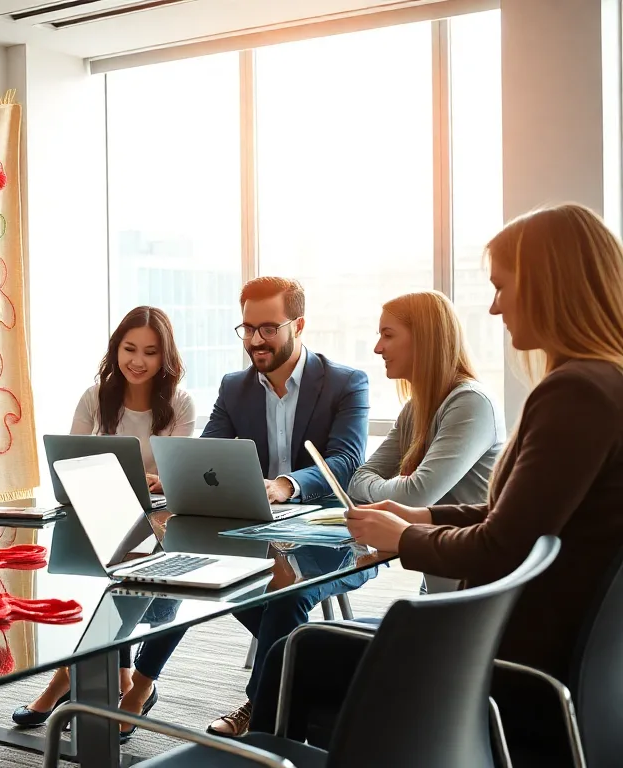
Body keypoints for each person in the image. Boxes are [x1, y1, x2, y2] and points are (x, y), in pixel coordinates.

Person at [249, 203, 623, 761]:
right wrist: (420, 518)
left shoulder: (573, 393)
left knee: (293, 653)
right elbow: (516, 519)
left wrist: (402, 538)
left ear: (549, 286)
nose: (494, 306)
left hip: (512, 658)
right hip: (566, 654)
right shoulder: (604, 383)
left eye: (502, 287)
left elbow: (501, 546)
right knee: (305, 649)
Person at [115, 276, 371, 740]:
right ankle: (143, 682)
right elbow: (209, 448)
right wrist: (175, 478)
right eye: (248, 328)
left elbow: (346, 460)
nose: (255, 340)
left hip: (329, 529)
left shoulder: (344, 383)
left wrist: (286, 485)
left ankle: (261, 706)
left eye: (268, 328)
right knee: (186, 567)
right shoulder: (235, 387)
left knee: (286, 593)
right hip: (253, 526)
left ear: (300, 325)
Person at [10, 305, 195, 727]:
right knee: (124, 573)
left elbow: (178, 472)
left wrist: (160, 481)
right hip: (101, 511)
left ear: (164, 357)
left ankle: (69, 677)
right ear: (116, 349)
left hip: (160, 519)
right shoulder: (95, 396)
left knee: (155, 585)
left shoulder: (181, 403)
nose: (138, 361)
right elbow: (69, 457)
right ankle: (114, 678)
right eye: (129, 349)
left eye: (150, 352)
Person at [348, 291, 506, 593]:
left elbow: (415, 496)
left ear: (424, 338)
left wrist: (387, 492)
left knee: (309, 640)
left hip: (474, 588)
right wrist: (393, 490)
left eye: (388, 335)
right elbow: (357, 479)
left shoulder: (470, 402)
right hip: (438, 579)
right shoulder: (415, 408)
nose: (378, 348)